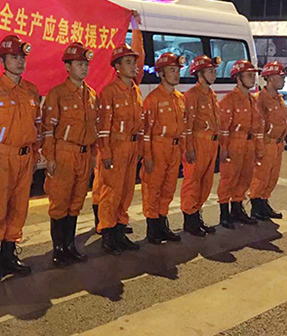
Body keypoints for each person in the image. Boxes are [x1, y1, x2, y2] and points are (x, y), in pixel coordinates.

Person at [0, 35, 41, 283]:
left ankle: (9, 255)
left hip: (25, 158)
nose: (19, 62)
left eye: (22, 57)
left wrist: (35, 154)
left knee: (18, 208)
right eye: (14, 57)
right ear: (2, 61)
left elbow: (37, 125)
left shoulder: (31, 90)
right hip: (1, 158)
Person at [42, 42, 97, 266]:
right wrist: (50, 157)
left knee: (76, 201)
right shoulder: (58, 94)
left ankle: (70, 246)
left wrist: (93, 155)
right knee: (60, 201)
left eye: (86, 64)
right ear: (67, 67)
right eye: (79, 64)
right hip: (64, 153)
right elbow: (48, 129)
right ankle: (58, 249)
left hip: (84, 154)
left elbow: (94, 127)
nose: (83, 68)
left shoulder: (91, 95)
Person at [92, 24, 145, 236]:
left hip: (131, 148)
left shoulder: (135, 90)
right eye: (128, 62)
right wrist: (105, 152)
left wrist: (139, 148)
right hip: (115, 147)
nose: (133, 66)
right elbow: (103, 126)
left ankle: (120, 228)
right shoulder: (110, 92)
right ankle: (108, 231)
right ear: (117, 67)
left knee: (127, 190)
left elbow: (139, 123)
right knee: (111, 191)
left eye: (134, 62)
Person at [141, 52, 186, 245]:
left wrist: (183, 150)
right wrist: (147, 156)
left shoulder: (179, 98)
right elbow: (146, 131)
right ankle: (152, 228)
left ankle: (162, 223)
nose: (176, 74)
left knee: (168, 188)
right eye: (172, 70)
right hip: (158, 147)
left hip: (174, 148)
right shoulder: (153, 99)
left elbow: (183, 127)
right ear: (161, 73)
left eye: (177, 70)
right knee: (154, 188)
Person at [217, 60, 264, 229]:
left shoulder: (252, 100)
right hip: (234, 142)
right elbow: (223, 127)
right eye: (249, 75)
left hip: (249, 143)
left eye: (254, 75)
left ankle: (237, 209)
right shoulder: (230, 99)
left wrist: (258, 147)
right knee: (229, 178)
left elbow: (258, 125)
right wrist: (223, 148)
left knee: (245, 177)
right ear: (238, 78)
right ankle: (224, 213)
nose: (253, 78)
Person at [181, 55, 221, 237]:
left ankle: (197, 216)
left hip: (211, 143)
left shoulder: (211, 95)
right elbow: (187, 125)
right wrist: (188, 148)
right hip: (198, 143)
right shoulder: (192, 95)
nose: (214, 75)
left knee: (206, 182)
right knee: (193, 181)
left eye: (214, 71)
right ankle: (190, 220)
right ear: (200, 74)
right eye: (210, 71)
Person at [249, 61, 287, 220]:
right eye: (281, 77)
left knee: (272, 176)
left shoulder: (278, 98)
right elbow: (258, 125)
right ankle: (256, 206)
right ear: (271, 78)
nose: (284, 80)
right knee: (261, 176)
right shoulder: (260, 99)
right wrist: (260, 146)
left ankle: (264, 202)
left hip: (277, 143)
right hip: (267, 142)